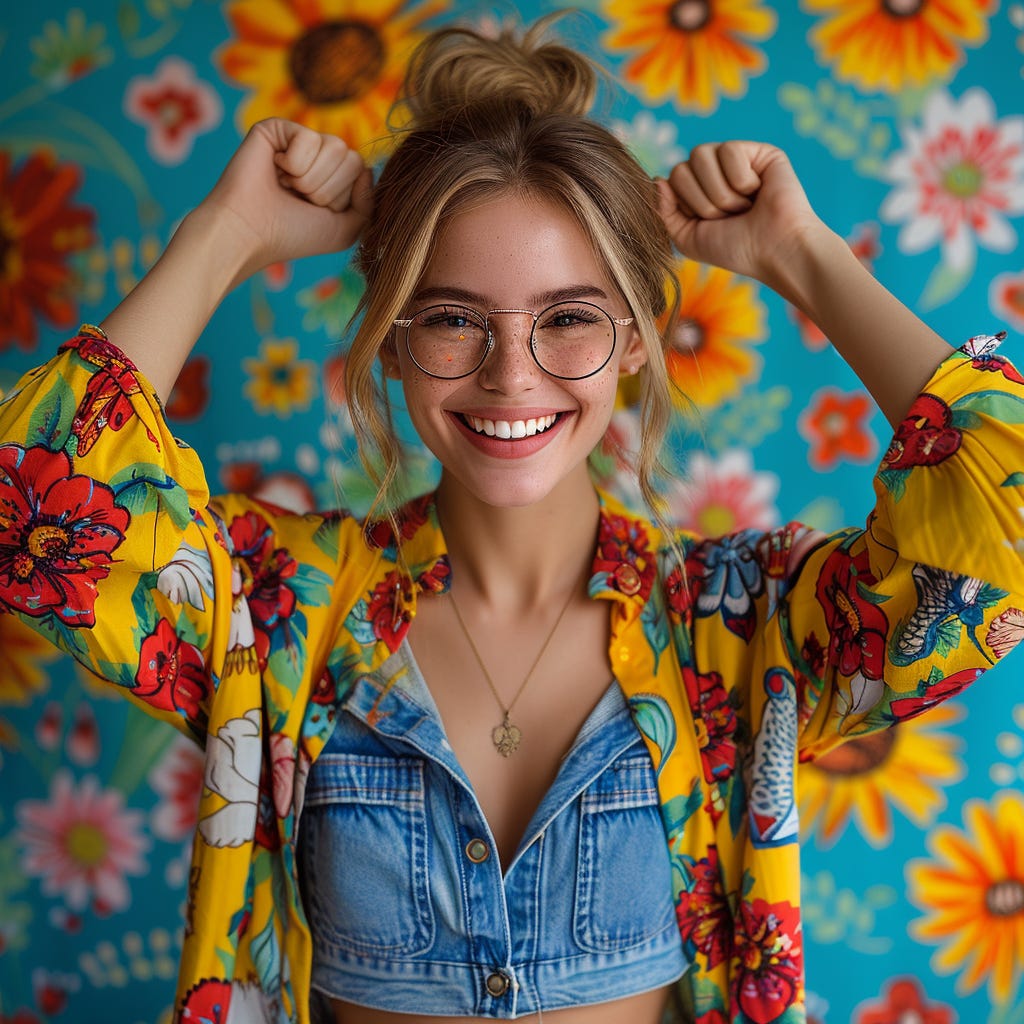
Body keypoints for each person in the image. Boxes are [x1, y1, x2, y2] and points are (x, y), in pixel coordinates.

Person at [1, 13, 1023, 1024]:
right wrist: (221, 234)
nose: (510, 376)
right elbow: (33, 506)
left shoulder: (736, 626)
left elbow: (1000, 539)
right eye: (449, 318)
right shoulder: (278, 613)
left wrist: (805, 256)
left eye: (568, 318)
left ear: (633, 338)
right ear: (389, 339)